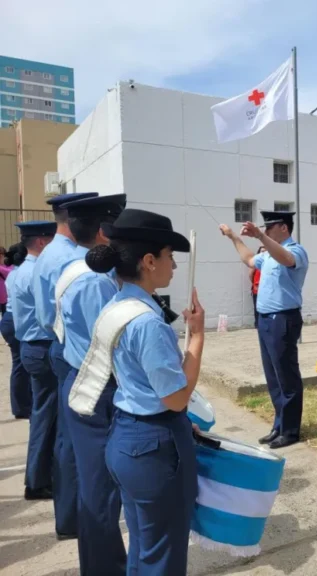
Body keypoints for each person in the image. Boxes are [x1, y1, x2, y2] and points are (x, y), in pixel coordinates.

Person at [83, 209, 202, 574]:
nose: (175, 267)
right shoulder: (148, 322)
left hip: (127, 436)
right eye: (170, 257)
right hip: (153, 447)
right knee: (161, 558)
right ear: (149, 261)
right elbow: (177, 398)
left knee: (144, 552)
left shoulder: (117, 307)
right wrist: (197, 336)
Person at [56, 195, 128, 574]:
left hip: (79, 378)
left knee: (93, 486)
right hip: (98, 388)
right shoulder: (96, 282)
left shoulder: (71, 269)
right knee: (101, 490)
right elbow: (114, 344)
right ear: (102, 232)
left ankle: (99, 564)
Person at [31, 191, 99, 539]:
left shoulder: (48, 254)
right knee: (76, 438)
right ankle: (78, 517)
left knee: (65, 434)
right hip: (73, 350)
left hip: (56, 345)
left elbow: (45, 317)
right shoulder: (72, 258)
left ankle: (70, 515)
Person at [220, 211, 308, 449]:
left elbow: (287, 260)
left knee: (286, 375)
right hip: (266, 319)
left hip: (283, 319)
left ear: (283, 228)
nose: (266, 231)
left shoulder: (296, 250)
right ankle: (279, 424)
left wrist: (260, 236)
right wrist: (233, 238)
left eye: (270, 228)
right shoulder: (268, 254)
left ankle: (290, 430)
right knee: (273, 376)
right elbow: (250, 260)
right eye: (264, 228)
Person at [10, 221, 56, 502]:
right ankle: (38, 481)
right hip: (42, 346)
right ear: (41, 242)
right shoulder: (36, 272)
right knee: (46, 417)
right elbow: (47, 317)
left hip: (31, 346)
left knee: (43, 415)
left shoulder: (18, 271)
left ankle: (39, 477)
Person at [1, 243, 31, 419]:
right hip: (15, 319)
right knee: (20, 364)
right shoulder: (22, 272)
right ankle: (21, 406)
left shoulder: (13, 272)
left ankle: (21, 405)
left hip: (9, 319)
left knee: (19, 364)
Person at [249, 246, 267, 329]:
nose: (263, 253)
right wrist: (254, 284)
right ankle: (257, 324)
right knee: (257, 307)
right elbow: (250, 275)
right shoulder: (256, 264)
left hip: (266, 289)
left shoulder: (268, 262)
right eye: (261, 251)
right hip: (257, 289)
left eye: (264, 251)